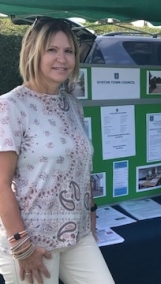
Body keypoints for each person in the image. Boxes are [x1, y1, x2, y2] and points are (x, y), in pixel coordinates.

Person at [0, 17, 115, 284]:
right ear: (33, 52)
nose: (62, 58)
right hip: (32, 242)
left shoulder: (73, 105)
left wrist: (91, 219)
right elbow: (1, 184)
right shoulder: (10, 106)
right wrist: (21, 246)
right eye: (51, 49)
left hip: (77, 236)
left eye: (69, 51)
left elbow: (82, 169)